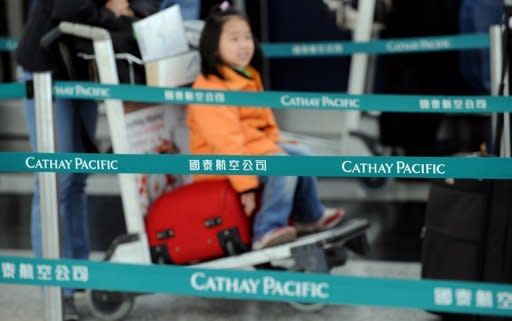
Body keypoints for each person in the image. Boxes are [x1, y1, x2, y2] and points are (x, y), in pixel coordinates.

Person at [15, 0, 157, 320]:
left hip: (83, 63)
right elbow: (67, 6)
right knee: (55, 180)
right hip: (47, 65)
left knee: (76, 178)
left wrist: (128, 6)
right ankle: (57, 285)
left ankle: (77, 273)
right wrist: (111, 10)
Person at [187, 1, 345, 251]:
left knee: (302, 155)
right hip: (219, 161)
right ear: (214, 48)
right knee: (282, 165)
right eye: (234, 39)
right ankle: (268, 229)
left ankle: (309, 216)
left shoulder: (247, 74)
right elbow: (227, 144)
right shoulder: (209, 88)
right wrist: (247, 185)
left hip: (252, 148)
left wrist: (278, 142)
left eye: (247, 37)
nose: (244, 45)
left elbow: (265, 121)